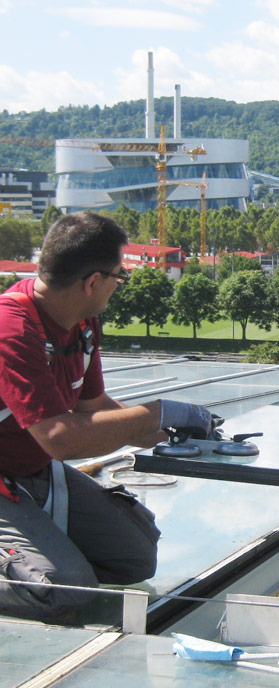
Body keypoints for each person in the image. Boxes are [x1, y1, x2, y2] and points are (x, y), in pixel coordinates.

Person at [0, 211, 213, 619]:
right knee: (62, 590)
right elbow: (60, 438)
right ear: (93, 281)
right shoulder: (11, 327)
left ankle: (34, 548)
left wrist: (166, 434)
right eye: (120, 274)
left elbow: (93, 408)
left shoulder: (79, 323)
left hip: (32, 471)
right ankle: (39, 561)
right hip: (9, 475)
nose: (120, 284)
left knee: (134, 557)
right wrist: (155, 412)